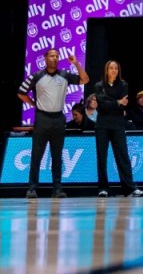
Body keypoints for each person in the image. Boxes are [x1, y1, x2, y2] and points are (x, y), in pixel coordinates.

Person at [17, 48, 88, 199]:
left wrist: (76, 64)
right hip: (42, 118)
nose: (54, 58)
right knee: (37, 155)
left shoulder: (64, 75)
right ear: (45, 58)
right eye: (51, 56)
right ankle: (31, 188)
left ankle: (57, 189)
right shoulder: (36, 76)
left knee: (57, 156)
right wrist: (34, 104)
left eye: (56, 56)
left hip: (58, 118)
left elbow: (85, 80)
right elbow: (21, 92)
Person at [92, 60, 143, 198]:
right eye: (111, 68)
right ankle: (103, 188)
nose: (114, 70)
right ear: (106, 70)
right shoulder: (99, 86)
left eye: (116, 68)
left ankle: (129, 188)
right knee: (102, 157)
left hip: (118, 124)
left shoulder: (123, 85)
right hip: (102, 125)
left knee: (123, 156)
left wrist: (112, 103)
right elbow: (101, 105)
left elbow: (123, 104)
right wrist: (116, 102)